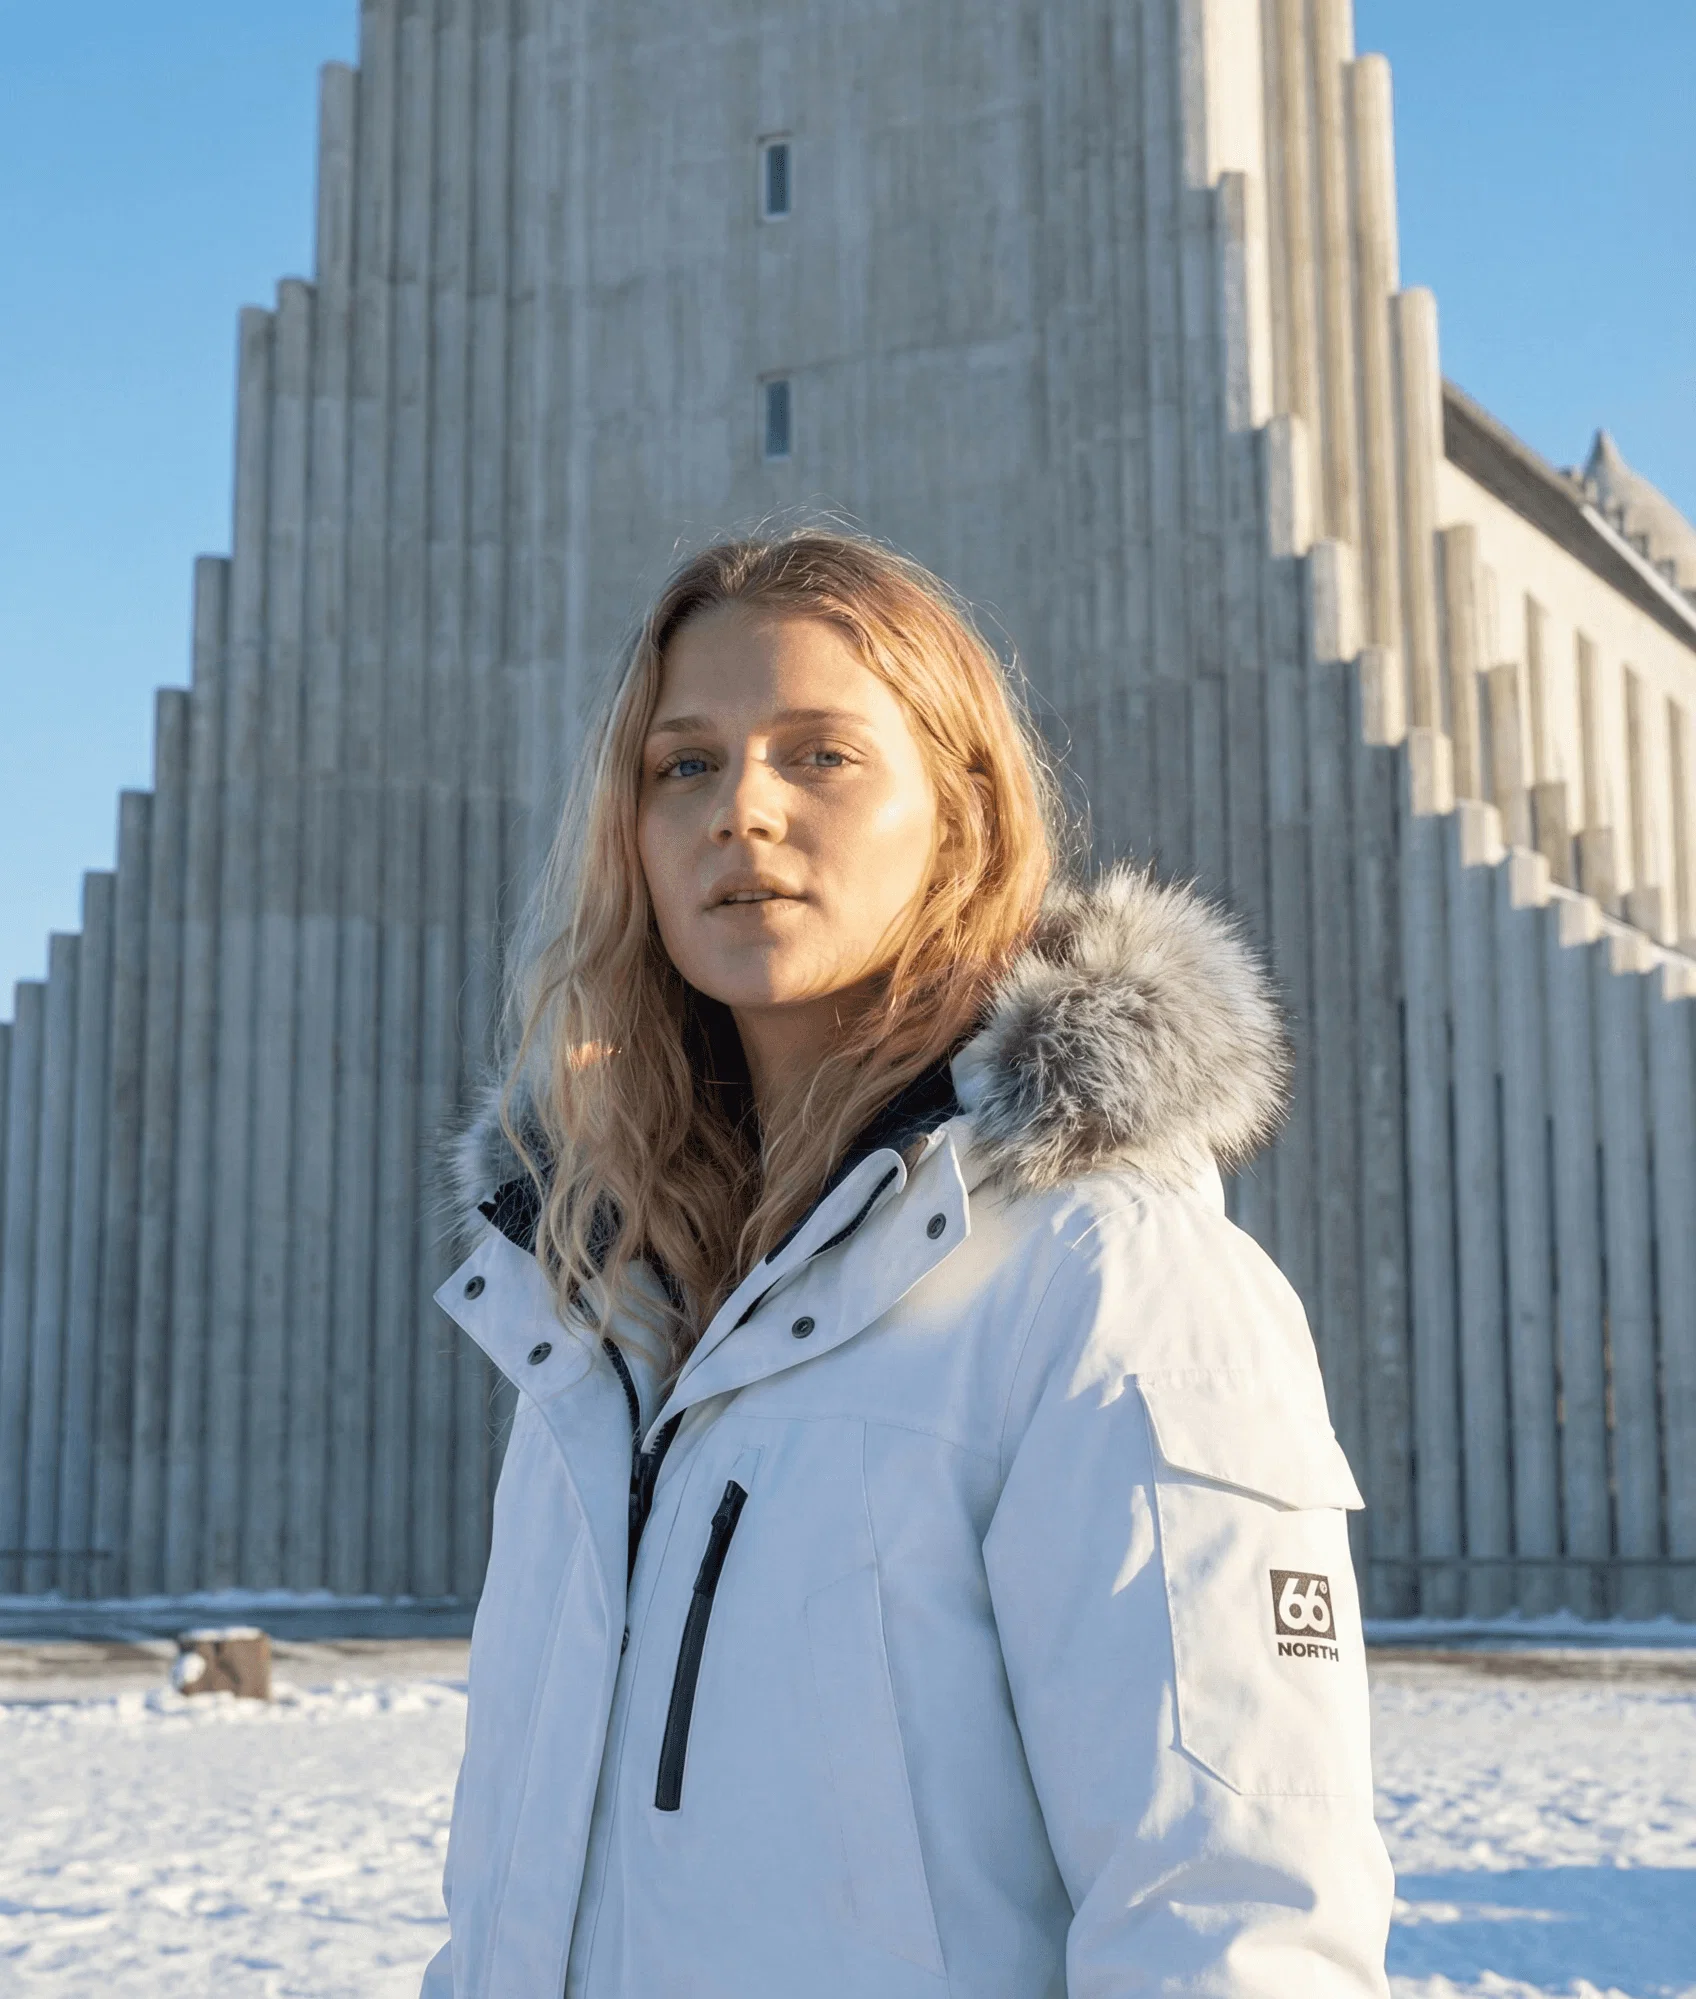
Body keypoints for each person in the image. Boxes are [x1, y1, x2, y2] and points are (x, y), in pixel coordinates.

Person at [423, 530, 1393, 1998]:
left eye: (817, 753)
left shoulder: (1105, 1279)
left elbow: (1234, 1921)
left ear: (964, 810)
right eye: (684, 763)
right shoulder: (601, 1311)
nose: (740, 808)